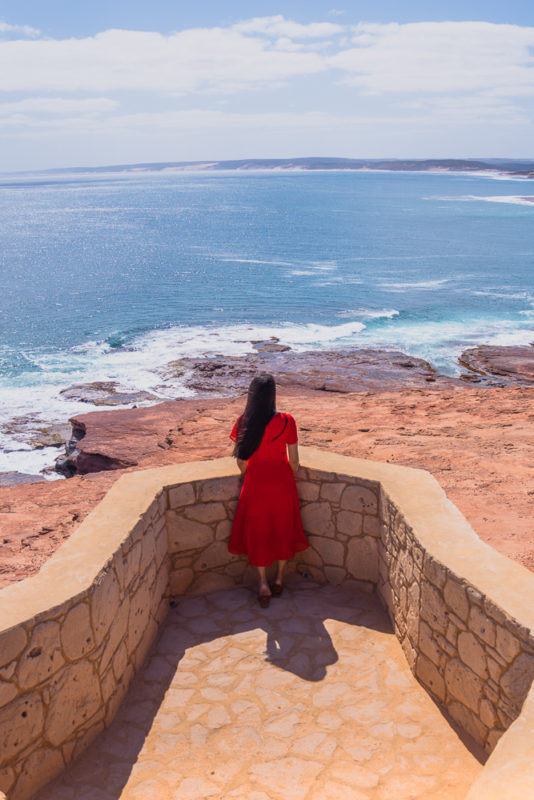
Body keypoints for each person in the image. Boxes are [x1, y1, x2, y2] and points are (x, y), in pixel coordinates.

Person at [228, 374, 308, 608]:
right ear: (273, 395)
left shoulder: (244, 422)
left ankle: (263, 584)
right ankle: (280, 579)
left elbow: (241, 463)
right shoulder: (287, 420)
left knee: (258, 533)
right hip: (282, 484)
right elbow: (294, 461)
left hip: (255, 485)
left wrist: (252, 470)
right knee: (283, 529)